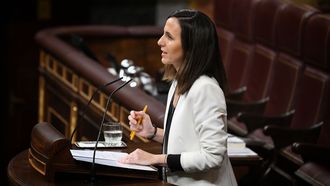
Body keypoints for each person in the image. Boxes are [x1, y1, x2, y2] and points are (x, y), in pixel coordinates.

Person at [119, 9, 237, 186]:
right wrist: (152, 132)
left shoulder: (206, 89)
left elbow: (213, 156)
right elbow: (188, 141)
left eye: (169, 37)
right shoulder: (177, 81)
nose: (160, 42)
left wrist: (156, 159)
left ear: (192, 47)